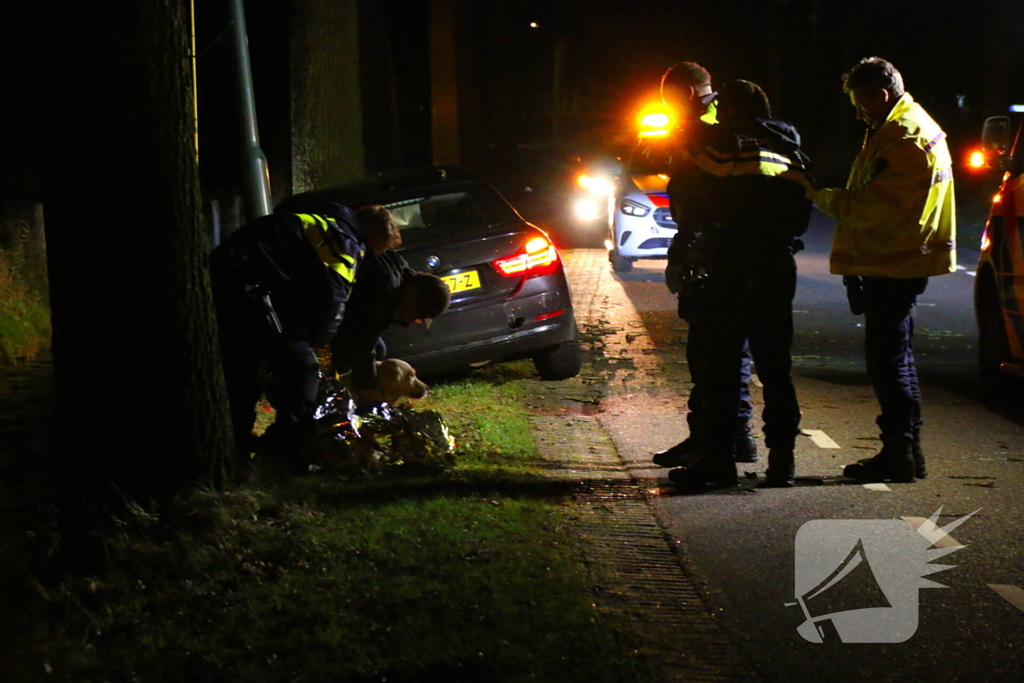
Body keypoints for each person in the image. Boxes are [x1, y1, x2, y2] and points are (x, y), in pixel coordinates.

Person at [666, 80, 814, 489]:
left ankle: (719, 462)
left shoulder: (716, 148)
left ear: (729, 110)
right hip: (776, 265)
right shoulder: (792, 152)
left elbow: (686, 202)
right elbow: (803, 214)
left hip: (727, 263)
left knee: (723, 368)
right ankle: (782, 463)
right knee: (776, 368)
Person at [816, 57, 956, 483]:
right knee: (898, 358)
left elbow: (871, 205)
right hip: (903, 257)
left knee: (887, 362)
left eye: (861, 105)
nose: (859, 114)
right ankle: (908, 452)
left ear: (880, 94)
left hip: (892, 259)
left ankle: (899, 453)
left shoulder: (902, 136)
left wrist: (817, 196)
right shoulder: (908, 125)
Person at [209, 202, 400, 465]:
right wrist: (320, 349)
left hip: (234, 277)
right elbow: (333, 302)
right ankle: (283, 451)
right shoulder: (344, 241)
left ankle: (237, 446)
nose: (373, 256)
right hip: (244, 286)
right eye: (381, 247)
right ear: (373, 232)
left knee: (247, 373)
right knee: (302, 368)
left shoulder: (321, 224)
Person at [653, 61, 759, 470]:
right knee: (728, 351)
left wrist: (685, 249)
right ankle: (736, 435)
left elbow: (702, 196)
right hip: (729, 248)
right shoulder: (724, 119)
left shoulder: (706, 128)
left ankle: (710, 439)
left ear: (684, 94)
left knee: (709, 351)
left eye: (669, 100)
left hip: (712, 249)